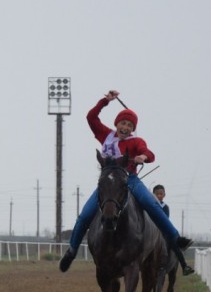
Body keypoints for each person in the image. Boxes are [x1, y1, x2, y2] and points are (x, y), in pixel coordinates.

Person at [59, 91, 194, 276]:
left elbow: (150, 154)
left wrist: (143, 156)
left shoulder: (136, 141)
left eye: (130, 125)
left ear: (133, 129)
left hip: (130, 179)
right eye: (123, 123)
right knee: (84, 216)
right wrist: (105, 101)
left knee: (152, 205)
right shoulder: (106, 135)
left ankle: (176, 238)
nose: (125, 127)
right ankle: (72, 250)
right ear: (116, 124)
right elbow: (91, 118)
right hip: (108, 182)